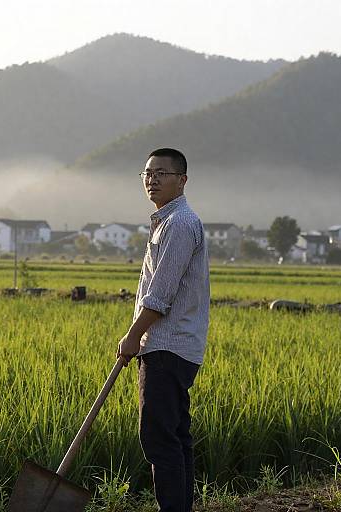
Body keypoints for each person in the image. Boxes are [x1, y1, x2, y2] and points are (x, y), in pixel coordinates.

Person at [117, 148, 210, 512]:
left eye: (161, 173)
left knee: (158, 439)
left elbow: (160, 295)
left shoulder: (179, 224)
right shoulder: (167, 221)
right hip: (171, 346)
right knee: (175, 437)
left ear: (182, 180)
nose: (152, 179)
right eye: (147, 173)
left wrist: (132, 336)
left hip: (167, 347)